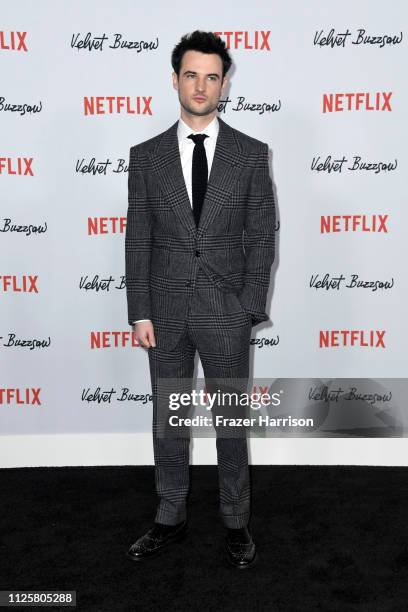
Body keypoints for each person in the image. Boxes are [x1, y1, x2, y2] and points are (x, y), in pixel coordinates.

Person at [125, 30, 275, 568]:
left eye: (213, 76)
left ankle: (236, 522)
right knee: (169, 419)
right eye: (192, 74)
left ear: (224, 84)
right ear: (175, 79)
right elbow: (137, 237)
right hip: (162, 313)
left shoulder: (251, 154)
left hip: (225, 313)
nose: (201, 85)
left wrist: (247, 306)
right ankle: (170, 517)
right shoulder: (144, 157)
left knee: (231, 424)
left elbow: (263, 235)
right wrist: (139, 310)